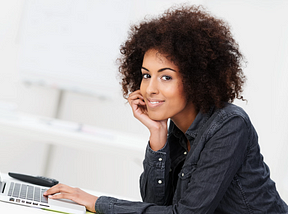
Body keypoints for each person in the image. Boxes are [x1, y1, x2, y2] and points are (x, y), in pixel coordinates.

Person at [44, 4, 288, 213]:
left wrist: (96, 202)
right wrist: (157, 137)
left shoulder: (229, 126)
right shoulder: (176, 128)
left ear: (195, 79)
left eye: (166, 77)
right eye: (146, 75)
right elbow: (156, 204)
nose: (150, 88)